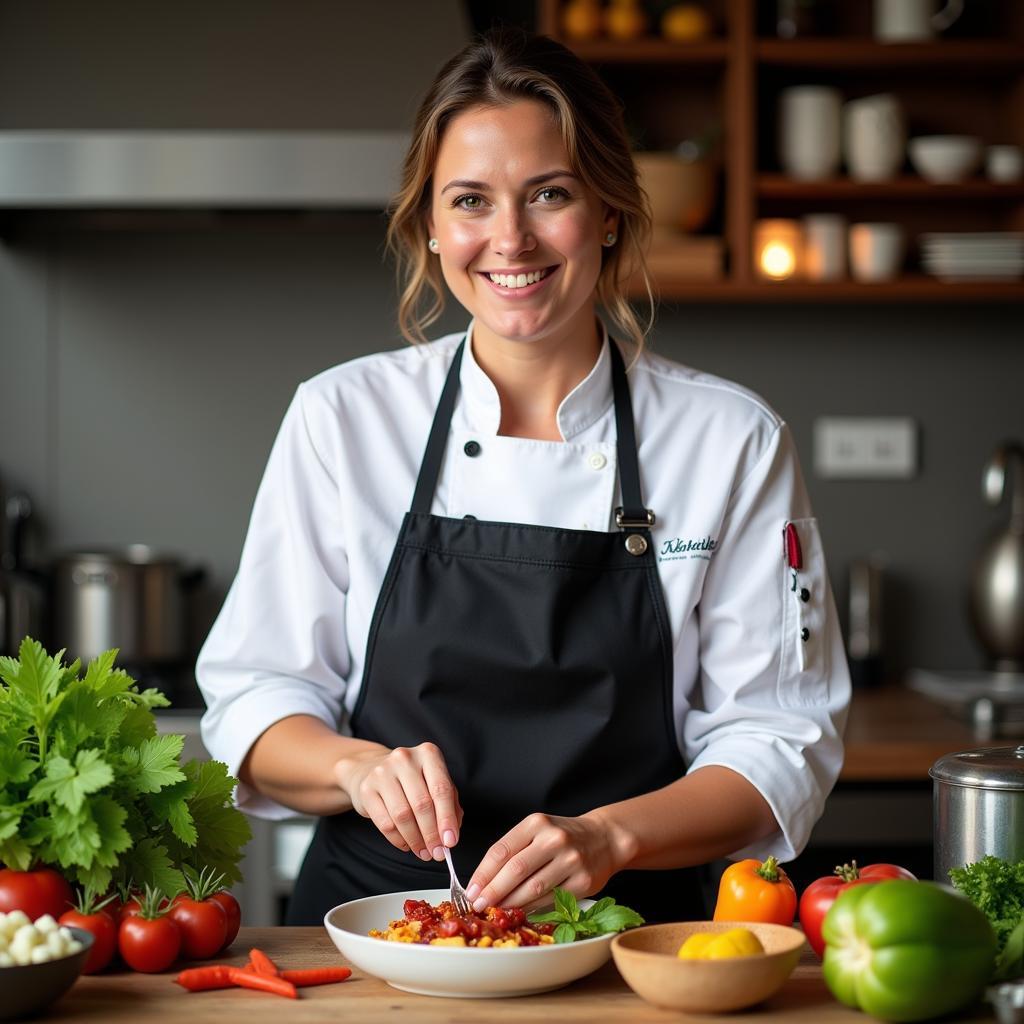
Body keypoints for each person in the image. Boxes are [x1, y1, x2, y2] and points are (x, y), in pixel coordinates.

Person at [196, 27, 850, 926]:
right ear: (430, 225)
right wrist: (353, 766)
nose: (509, 238)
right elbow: (254, 701)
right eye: (470, 200)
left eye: (550, 194)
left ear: (610, 211)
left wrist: (611, 838)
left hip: (628, 936)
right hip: (375, 929)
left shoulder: (729, 439)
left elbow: (782, 738)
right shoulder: (342, 418)